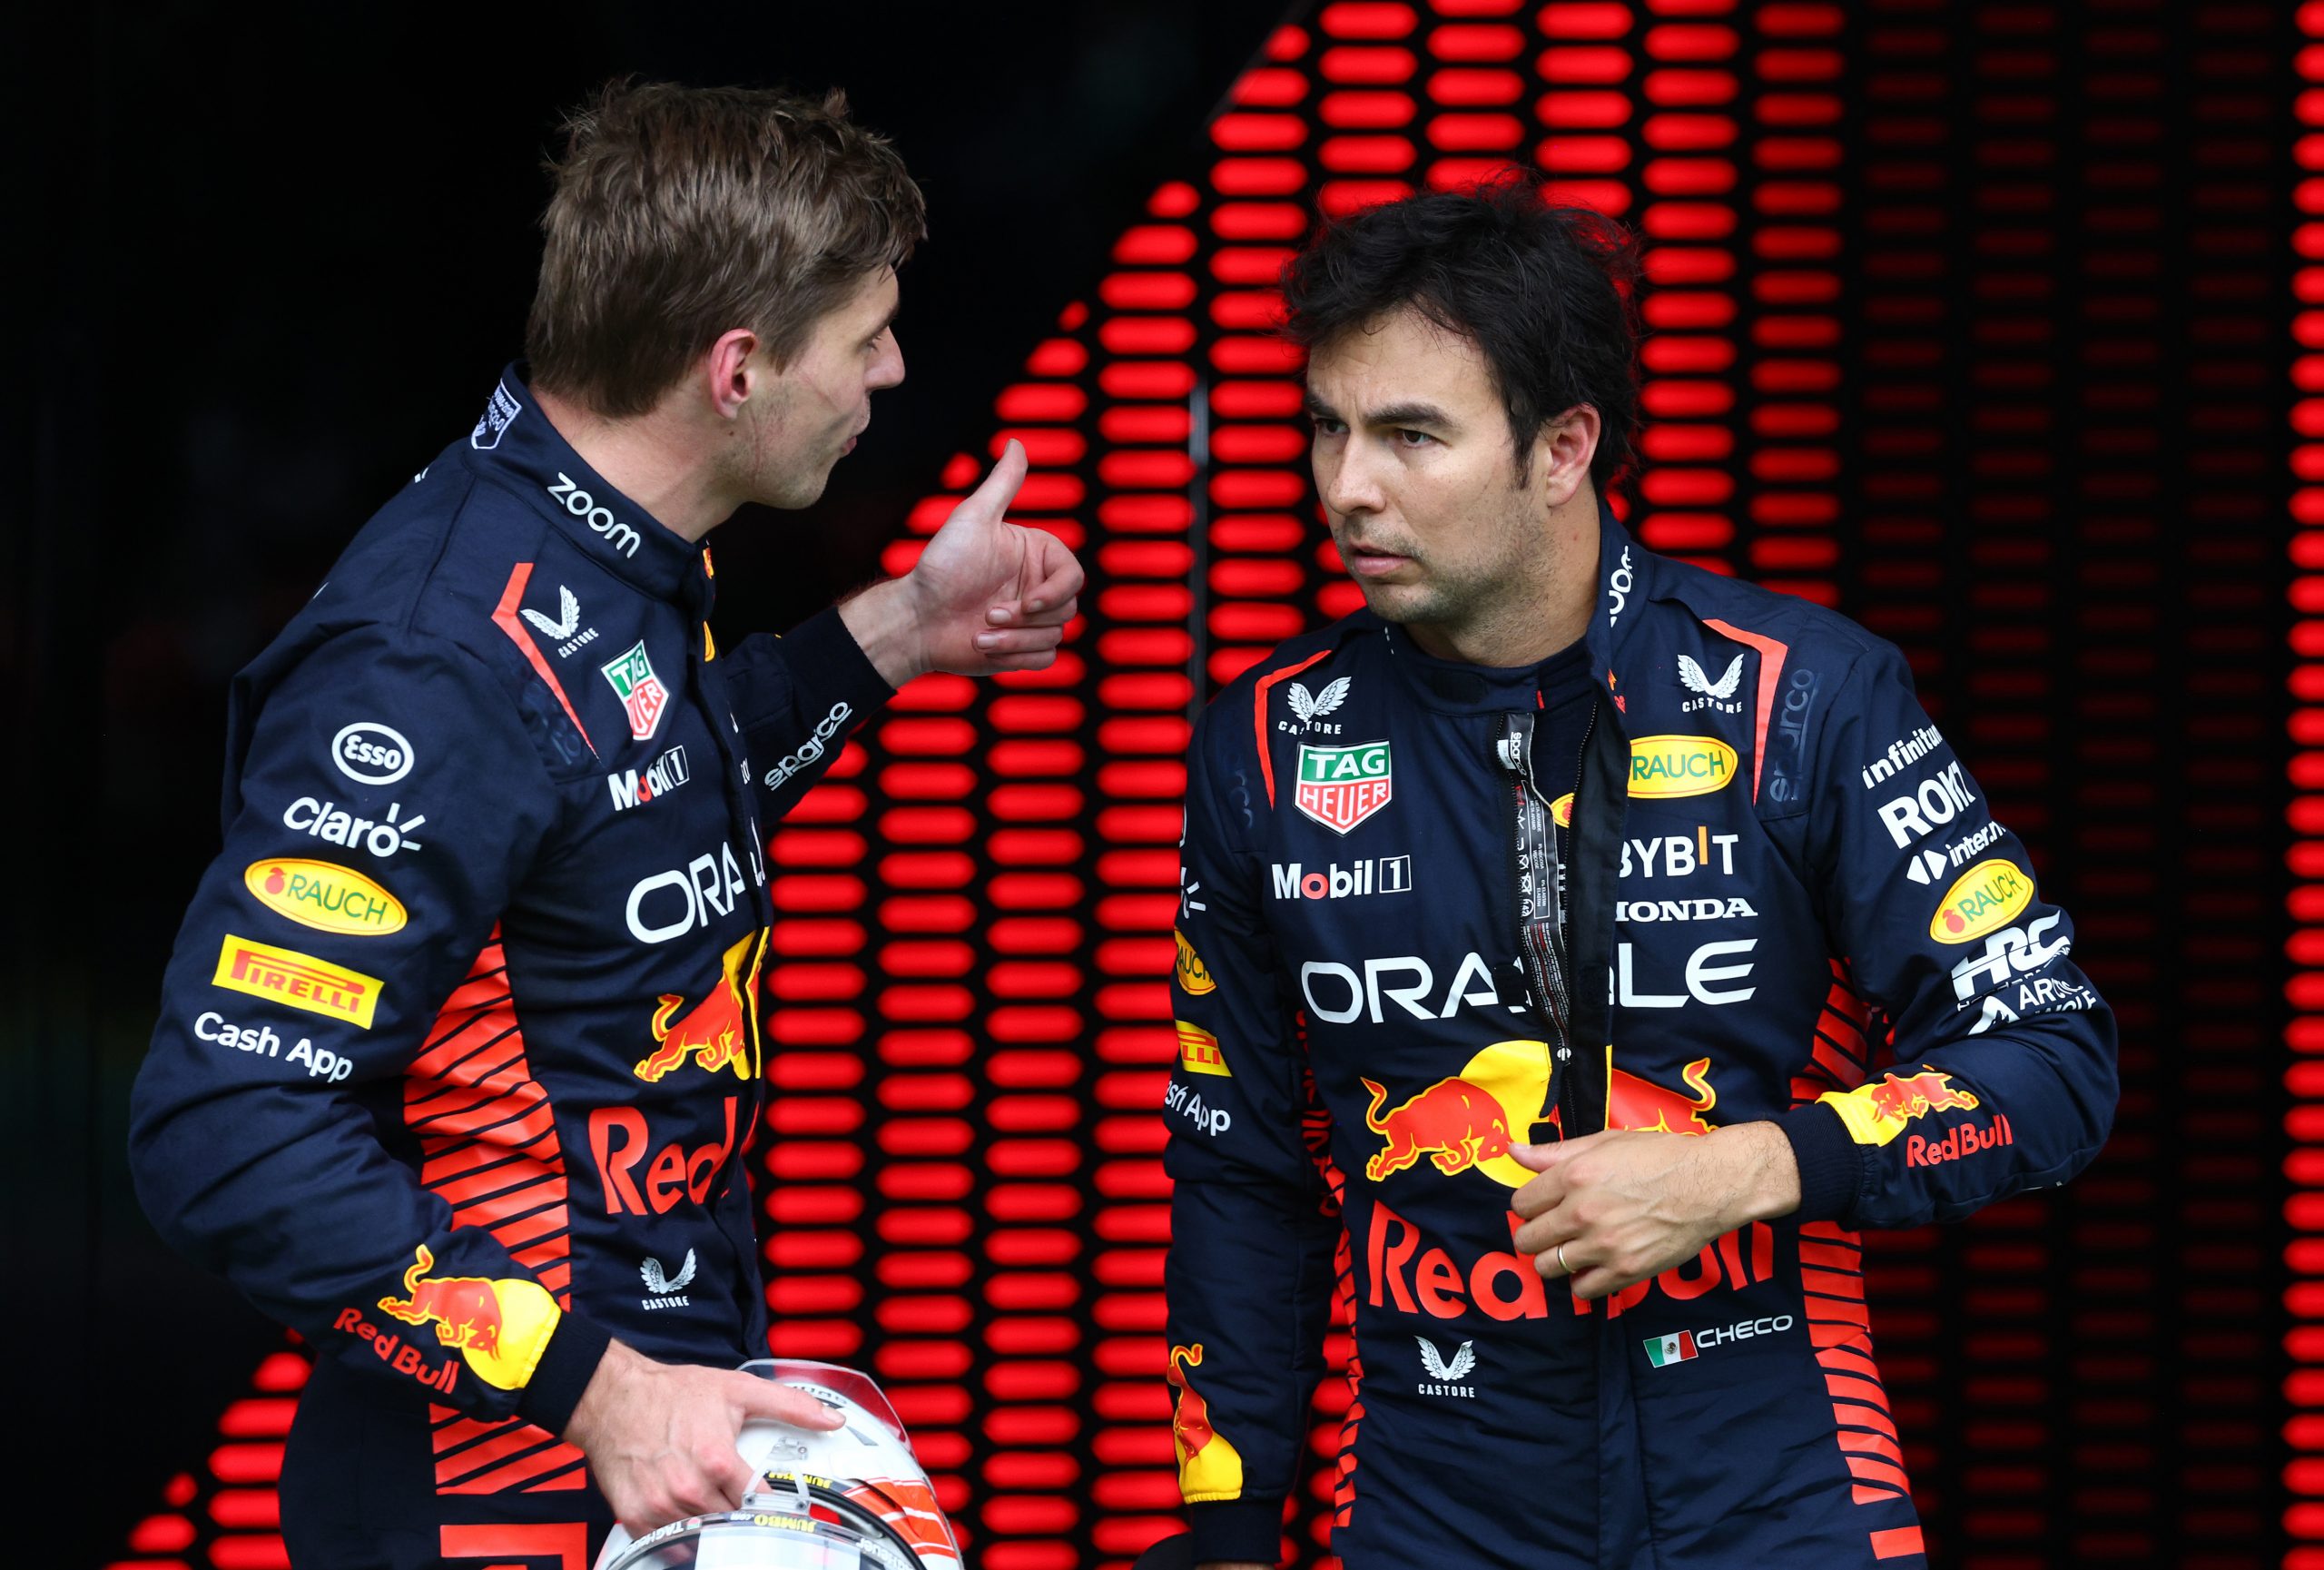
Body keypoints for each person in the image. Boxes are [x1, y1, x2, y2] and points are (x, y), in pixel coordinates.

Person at [129, 81, 1081, 1568]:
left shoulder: (604, 546)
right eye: (865, 338)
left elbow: (613, 807)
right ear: (739, 368)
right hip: (486, 1497)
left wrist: (901, 628)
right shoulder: (435, 654)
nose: (895, 371)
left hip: (638, 1456)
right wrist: (603, 1393)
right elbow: (226, 1126)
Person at [1160, 178, 2117, 1569]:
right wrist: (1231, 1527)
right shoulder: (1263, 742)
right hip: (1433, 1505)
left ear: (1564, 448)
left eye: (1410, 434)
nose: (1345, 484)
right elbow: (1238, 1165)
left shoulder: (1803, 696)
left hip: (1775, 1486)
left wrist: (1751, 1167)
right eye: (1328, 427)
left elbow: (2056, 1059)